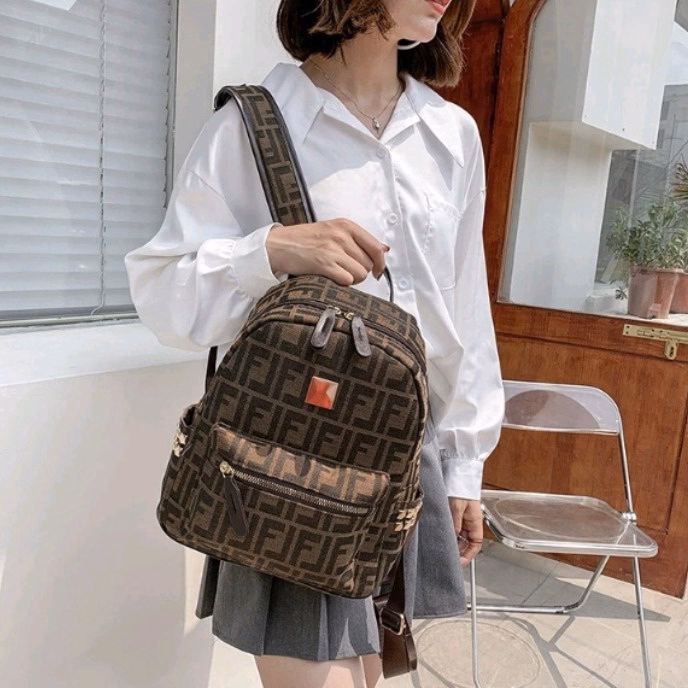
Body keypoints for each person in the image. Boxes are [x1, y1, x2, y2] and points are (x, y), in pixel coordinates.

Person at [124, 0, 505, 686]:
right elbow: (163, 291)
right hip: (294, 453)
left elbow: (464, 312)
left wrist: (465, 464)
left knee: (374, 672)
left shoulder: (452, 135)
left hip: (405, 452)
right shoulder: (256, 123)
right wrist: (270, 250)